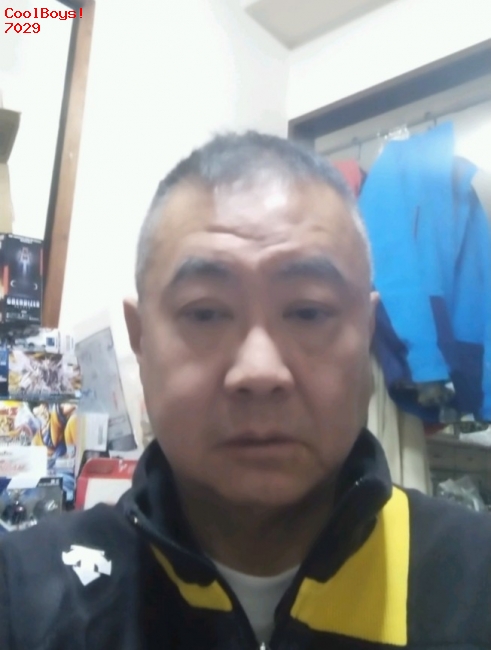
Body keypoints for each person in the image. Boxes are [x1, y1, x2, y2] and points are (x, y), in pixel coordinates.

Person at [1, 132, 491, 650]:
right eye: (206, 313)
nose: (260, 371)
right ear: (141, 342)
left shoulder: (474, 582)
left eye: (308, 312)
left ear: (368, 335)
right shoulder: (23, 597)